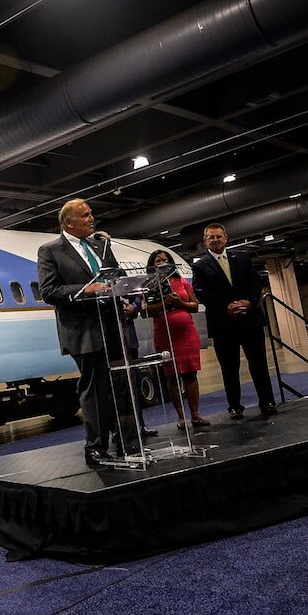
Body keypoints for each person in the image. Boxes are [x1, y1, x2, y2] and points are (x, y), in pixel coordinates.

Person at [37, 199, 143, 467]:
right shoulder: (51, 251)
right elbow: (49, 291)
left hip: (115, 324)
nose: (91, 218)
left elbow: (116, 274)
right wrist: (86, 290)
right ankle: (96, 447)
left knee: (122, 384)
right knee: (95, 389)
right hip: (84, 330)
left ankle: (128, 441)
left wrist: (125, 293)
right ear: (68, 223)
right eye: (85, 215)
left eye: (91, 214)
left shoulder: (101, 245)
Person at [190, 223, 276, 420]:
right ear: (205, 241)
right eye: (211, 237)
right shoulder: (200, 266)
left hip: (250, 320)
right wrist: (225, 306)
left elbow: (256, 284)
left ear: (226, 238)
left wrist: (249, 301)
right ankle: (235, 406)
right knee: (229, 368)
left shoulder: (243, 258)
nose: (216, 240)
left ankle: (267, 402)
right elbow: (202, 293)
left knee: (259, 364)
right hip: (223, 325)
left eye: (219, 236)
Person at [144, 249, 207, 431]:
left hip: (187, 332)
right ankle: (180, 417)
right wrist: (165, 303)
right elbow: (146, 311)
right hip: (164, 334)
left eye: (165, 260)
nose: (162, 263)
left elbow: (195, 306)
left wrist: (180, 304)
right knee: (172, 375)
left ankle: (195, 414)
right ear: (152, 265)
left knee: (191, 374)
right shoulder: (148, 285)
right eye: (157, 261)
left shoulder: (182, 281)